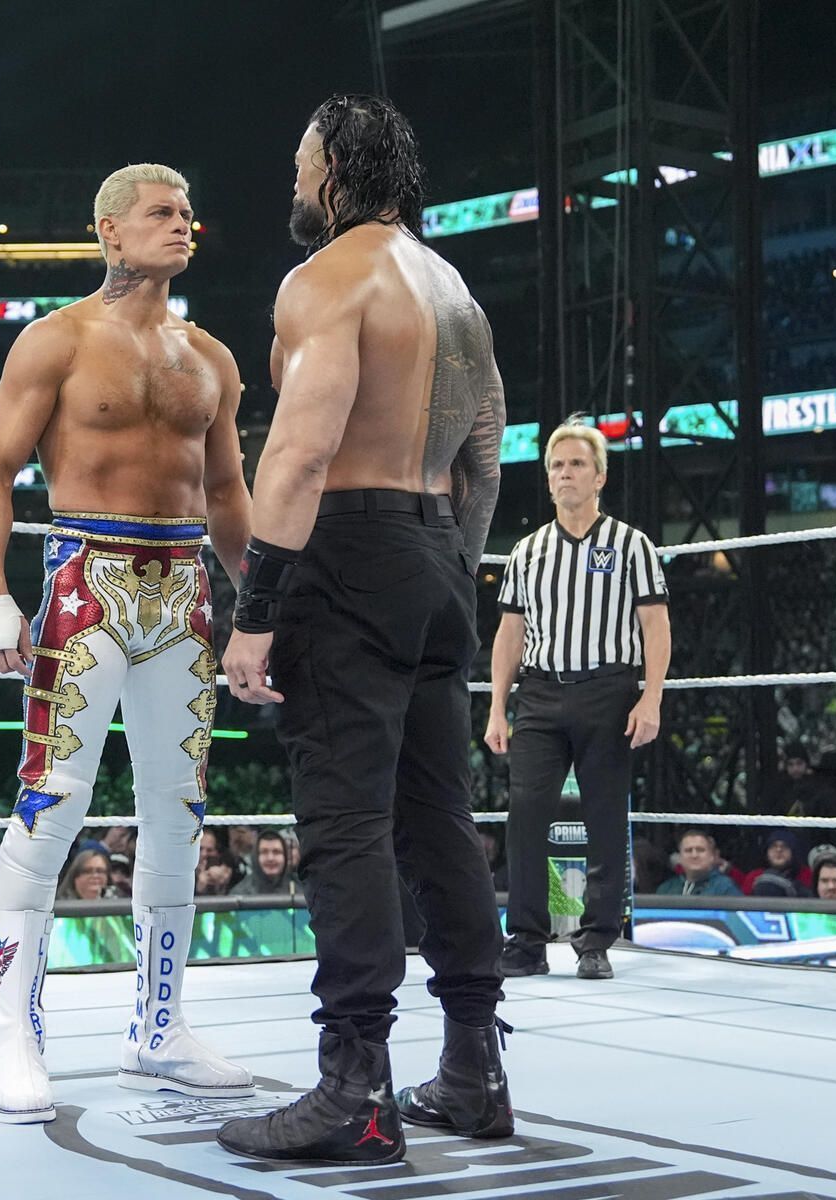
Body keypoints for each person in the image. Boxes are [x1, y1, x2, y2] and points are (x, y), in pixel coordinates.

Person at [217, 95, 510, 1165]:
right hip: (435, 547)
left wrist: (256, 613)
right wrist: (453, 569)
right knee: (437, 815)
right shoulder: (452, 285)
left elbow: (295, 454)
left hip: (346, 546)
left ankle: (355, 1088)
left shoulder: (325, 281)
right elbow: (488, 444)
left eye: (302, 164)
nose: (294, 184)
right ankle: (476, 1070)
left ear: (336, 170)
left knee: (344, 820)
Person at [0, 162, 255, 1125]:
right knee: (53, 801)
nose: (183, 226)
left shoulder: (212, 356)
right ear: (109, 231)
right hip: (82, 574)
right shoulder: (56, 339)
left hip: (184, 590)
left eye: (187, 213)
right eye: (162, 214)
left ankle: (159, 1031)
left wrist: (263, 605)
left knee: (179, 810)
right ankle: (17, 1029)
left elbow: (226, 498)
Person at [486, 416, 671, 981]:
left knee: (606, 817)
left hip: (608, 690)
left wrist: (651, 697)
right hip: (539, 693)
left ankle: (596, 941)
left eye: (577, 465)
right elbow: (510, 634)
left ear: (599, 477)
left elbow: (656, 628)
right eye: (557, 466)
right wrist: (497, 706)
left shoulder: (631, 545)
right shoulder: (527, 550)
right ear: (548, 480)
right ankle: (526, 940)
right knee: (525, 818)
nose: (566, 474)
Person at [656, 831, 740, 897]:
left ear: (712, 856)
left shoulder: (725, 888)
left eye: (700, 850)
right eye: (688, 850)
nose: (694, 855)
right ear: (680, 857)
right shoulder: (666, 889)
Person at [742, 828, 813, 897]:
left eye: (785, 846)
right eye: (773, 846)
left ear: (793, 852)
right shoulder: (753, 877)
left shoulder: (807, 876)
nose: (779, 850)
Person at [230, 829, 297, 897]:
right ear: (256, 857)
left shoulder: (301, 888)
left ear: (285, 856)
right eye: (264, 852)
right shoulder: (239, 894)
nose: (270, 858)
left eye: (276, 852)